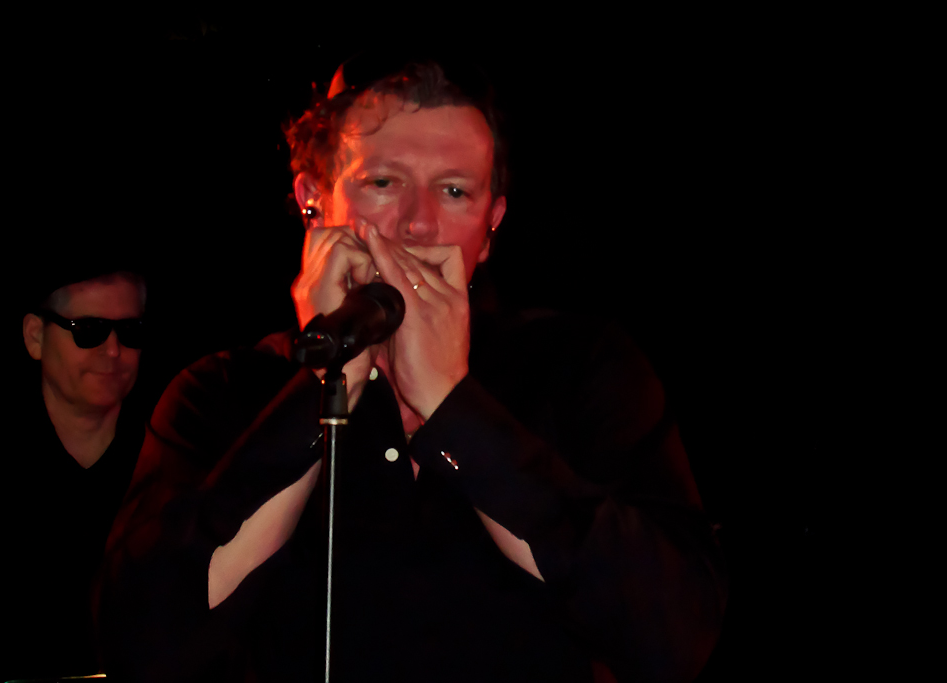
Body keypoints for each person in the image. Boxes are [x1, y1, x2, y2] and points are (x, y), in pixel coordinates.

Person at [98, 54, 726, 682]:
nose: (419, 222)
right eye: (383, 182)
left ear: (491, 226)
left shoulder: (581, 367)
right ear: (314, 202)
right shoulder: (224, 391)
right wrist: (324, 384)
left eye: (454, 191)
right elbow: (141, 644)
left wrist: (454, 408)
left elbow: (675, 638)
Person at [0, 267, 150, 681]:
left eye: (129, 331)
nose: (113, 350)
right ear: (35, 337)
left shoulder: (169, 454)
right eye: (89, 330)